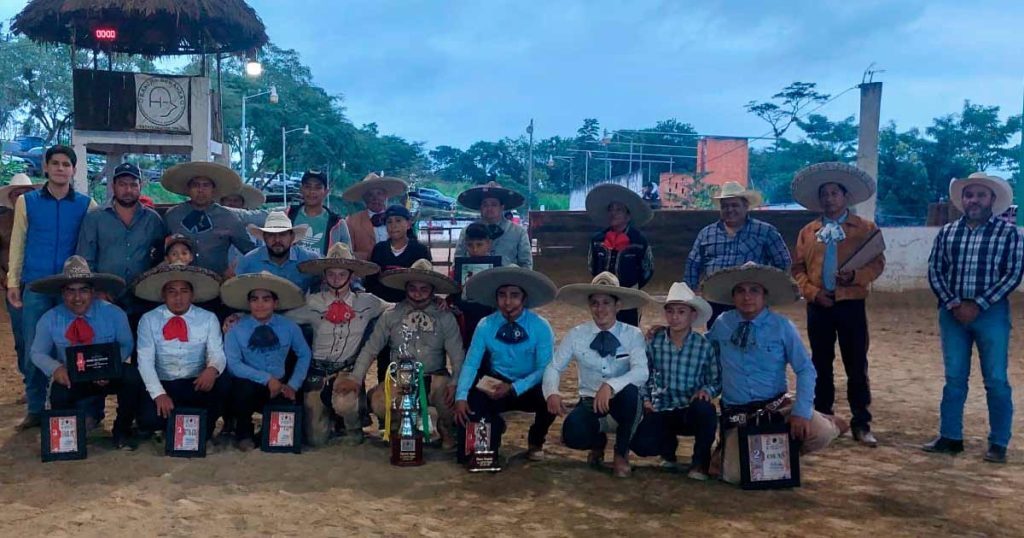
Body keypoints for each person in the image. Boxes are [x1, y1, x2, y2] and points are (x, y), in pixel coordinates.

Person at [702, 263, 846, 484]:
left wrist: (802, 411)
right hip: (739, 414)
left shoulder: (782, 327)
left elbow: (805, 369)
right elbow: (700, 349)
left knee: (819, 432)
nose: (747, 297)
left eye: (754, 291)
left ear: (765, 296)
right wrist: (668, 333)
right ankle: (745, 450)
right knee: (734, 476)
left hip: (778, 408)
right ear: (733, 296)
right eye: (740, 291)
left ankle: (829, 425)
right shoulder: (722, 324)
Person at [923, 172, 1023, 464]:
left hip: (991, 313)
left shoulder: (1008, 234)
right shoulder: (948, 232)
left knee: (996, 379)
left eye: (980, 195)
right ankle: (950, 436)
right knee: (954, 378)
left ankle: (998, 442)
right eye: (969, 195)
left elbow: (1013, 274)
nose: (974, 200)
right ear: (963, 200)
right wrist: (954, 303)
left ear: (992, 199)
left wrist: (977, 304)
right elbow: (935, 270)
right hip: (952, 313)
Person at [791, 162, 885, 447]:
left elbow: (877, 263)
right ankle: (824, 418)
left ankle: (861, 421)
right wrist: (811, 292)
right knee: (820, 362)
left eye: (834, 193)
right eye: (825, 194)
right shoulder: (808, 231)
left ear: (845, 197)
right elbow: (797, 269)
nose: (829, 198)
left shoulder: (865, 229)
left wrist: (855, 276)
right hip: (819, 304)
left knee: (856, 363)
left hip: (851, 303)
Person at [7, 145, 98, 431]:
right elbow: (18, 243)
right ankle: (35, 408)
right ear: (45, 167)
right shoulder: (27, 202)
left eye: (66, 164)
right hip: (34, 286)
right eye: (55, 163)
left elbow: (91, 245)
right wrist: (13, 281)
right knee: (33, 347)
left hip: (72, 290)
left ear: (73, 170)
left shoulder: (87, 204)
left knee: (75, 345)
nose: (60, 168)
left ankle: (75, 407)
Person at [336, 259, 464, 448]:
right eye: (413, 288)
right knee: (380, 402)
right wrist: (356, 378)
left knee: (449, 399)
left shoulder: (445, 317)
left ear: (432, 290)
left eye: (424, 289)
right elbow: (371, 348)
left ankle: (445, 427)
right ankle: (398, 426)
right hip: (400, 377)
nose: (418, 294)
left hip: (436, 376)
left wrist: (455, 384)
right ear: (405, 288)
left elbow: (457, 355)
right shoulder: (390, 315)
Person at [543, 272, 652, 478]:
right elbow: (554, 367)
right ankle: (597, 442)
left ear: (617, 305)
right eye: (594, 303)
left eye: (606, 303)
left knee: (631, 393)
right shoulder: (576, 335)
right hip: (589, 402)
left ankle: (621, 453)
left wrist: (611, 385)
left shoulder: (633, 334)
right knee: (572, 435)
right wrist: (552, 392)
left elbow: (641, 372)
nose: (600, 309)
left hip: (622, 402)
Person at [28, 256, 141, 448]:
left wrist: (109, 367)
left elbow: (126, 344)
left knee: (132, 377)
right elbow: (37, 352)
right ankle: (68, 438)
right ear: (62, 293)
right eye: (70, 291)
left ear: (93, 292)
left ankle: (122, 430)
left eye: (83, 290)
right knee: (59, 393)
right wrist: (56, 369)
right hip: (72, 375)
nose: (77, 297)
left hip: (107, 373)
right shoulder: (50, 319)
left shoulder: (114, 314)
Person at [453, 265, 558, 462]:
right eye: (502, 295)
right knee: (473, 406)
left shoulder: (541, 326)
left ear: (524, 298)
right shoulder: (485, 324)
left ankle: (536, 440)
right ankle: (493, 432)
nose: (507, 302)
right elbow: (471, 363)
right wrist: (461, 396)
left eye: (514, 295)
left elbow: (545, 367)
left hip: (530, 385)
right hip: (495, 382)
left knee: (550, 395)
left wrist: (514, 387)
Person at [287, 243, 385, 445]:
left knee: (345, 404)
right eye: (331, 274)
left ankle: (354, 426)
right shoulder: (312, 303)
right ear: (324, 275)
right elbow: (282, 318)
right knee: (316, 439)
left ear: (352, 276)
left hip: (346, 371)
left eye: (342, 274)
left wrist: (437, 302)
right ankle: (329, 417)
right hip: (316, 372)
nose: (336, 279)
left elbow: (394, 310)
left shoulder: (368, 303)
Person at [631, 282, 719, 480]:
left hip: (690, 409)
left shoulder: (703, 346)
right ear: (665, 314)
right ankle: (667, 450)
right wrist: (645, 399)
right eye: (670, 311)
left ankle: (700, 463)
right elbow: (643, 374)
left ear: (693, 315)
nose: (675, 317)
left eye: (681, 312)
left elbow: (716, 379)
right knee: (640, 445)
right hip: (662, 407)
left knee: (706, 410)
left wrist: (707, 391)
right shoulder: (654, 342)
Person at [133, 263, 230, 439]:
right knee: (149, 420)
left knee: (222, 381)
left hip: (196, 382)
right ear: (163, 295)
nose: (178, 297)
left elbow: (217, 352)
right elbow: (145, 361)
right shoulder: (148, 319)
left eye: (184, 291)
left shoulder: (208, 318)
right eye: (172, 291)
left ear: (192, 294)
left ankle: (206, 425)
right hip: (163, 381)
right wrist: (159, 394)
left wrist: (212, 369)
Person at [221, 272, 312, 451]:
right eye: (255, 299)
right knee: (241, 389)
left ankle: (264, 434)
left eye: (266, 299)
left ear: (275, 303)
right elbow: (233, 364)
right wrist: (266, 379)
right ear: (249, 303)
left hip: (280, 384)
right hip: (249, 384)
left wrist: (293, 385)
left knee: (287, 427)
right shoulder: (235, 329)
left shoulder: (289, 327)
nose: (260, 304)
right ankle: (244, 433)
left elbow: (304, 354)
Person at [684, 181, 791, 326]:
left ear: (746, 206)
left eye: (734, 205)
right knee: (718, 339)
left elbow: (783, 262)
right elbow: (693, 264)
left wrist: (767, 288)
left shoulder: (765, 231)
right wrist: (692, 292)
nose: (729, 209)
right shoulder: (706, 233)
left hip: (750, 300)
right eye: (725, 206)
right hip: (715, 300)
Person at [77, 162, 168, 329]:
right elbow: (85, 259)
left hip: (143, 299)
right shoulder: (95, 218)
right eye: (123, 184)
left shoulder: (153, 220)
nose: (128, 190)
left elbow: (162, 257)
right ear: (113, 186)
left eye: (133, 184)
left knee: (141, 350)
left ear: (141, 186)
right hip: (105, 297)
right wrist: (96, 291)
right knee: (107, 350)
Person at [161, 161, 256, 276]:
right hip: (180, 282)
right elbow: (159, 250)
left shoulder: (229, 218)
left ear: (213, 189)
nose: (201, 190)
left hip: (216, 282)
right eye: (195, 185)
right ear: (188, 189)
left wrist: (237, 270)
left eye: (206, 185)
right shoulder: (172, 215)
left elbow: (250, 252)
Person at [585, 183, 654, 326]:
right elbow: (592, 266)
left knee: (629, 330)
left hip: (629, 296)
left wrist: (632, 287)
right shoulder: (597, 240)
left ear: (628, 215)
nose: (613, 213)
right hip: (603, 294)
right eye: (611, 209)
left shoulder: (639, 240)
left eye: (618, 210)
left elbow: (647, 270)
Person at [0, 174, 41, 406]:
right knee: (21, 337)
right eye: (17, 193)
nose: (22, 197)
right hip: (14, 285)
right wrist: (4, 279)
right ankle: (30, 384)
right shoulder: (2, 221)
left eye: (26, 193)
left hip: (37, 283)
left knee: (42, 335)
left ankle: (43, 386)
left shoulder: (39, 218)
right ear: (11, 197)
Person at [454, 181, 532, 268]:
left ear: (502, 207)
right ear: (480, 207)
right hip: (476, 278)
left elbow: (526, 264)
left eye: (494, 205)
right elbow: (458, 261)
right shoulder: (467, 231)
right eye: (485, 204)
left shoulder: (518, 232)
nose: (489, 208)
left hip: (507, 279)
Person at [236, 211, 319, 292]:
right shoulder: (248, 262)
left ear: (292, 237)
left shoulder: (310, 260)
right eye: (271, 235)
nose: (277, 240)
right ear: (264, 237)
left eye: (282, 234)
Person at [365, 204, 432, 304]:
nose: (393, 225)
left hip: (411, 305)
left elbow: (428, 281)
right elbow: (371, 282)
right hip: (381, 304)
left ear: (408, 224)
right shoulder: (379, 249)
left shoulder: (420, 250)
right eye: (389, 222)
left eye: (398, 220)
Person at [448, 222, 497, 348]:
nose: (475, 250)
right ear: (465, 245)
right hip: (466, 319)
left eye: (479, 245)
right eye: (470, 245)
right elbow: (452, 293)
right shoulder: (457, 270)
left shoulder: (498, 270)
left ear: (488, 244)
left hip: (490, 317)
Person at [342, 173, 408, 260]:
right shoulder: (351, 221)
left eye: (379, 193)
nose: (375, 198)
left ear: (385, 196)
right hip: (365, 271)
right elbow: (347, 253)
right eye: (370, 195)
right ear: (364, 198)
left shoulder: (398, 218)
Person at [287, 170, 352, 255]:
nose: (312, 191)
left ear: (326, 192)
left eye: (318, 187)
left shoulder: (338, 223)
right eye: (308, 187)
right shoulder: (287, 215)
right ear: (301, 189)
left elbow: (348, 257)